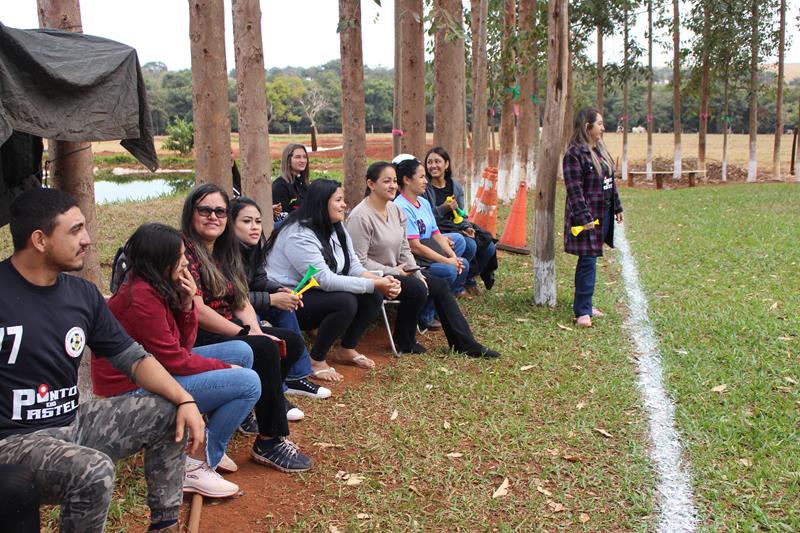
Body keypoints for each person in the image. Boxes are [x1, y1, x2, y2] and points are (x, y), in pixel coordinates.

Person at [0, 188, 205, 533]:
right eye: (75, 230)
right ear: (39, 240)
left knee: (169, 412)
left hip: (73, 421)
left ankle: (165, 524)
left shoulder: (82, 294)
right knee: (93, 470)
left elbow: (133, 358)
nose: (88, 240)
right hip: (13, 441)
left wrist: (184, 398)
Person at [92, 223, 261, 498]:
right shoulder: (141, 299)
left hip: (156, 369)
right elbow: (176, 361)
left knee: (242, 352)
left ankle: (205, 450)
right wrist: (224, 368)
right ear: (161, 260)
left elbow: (184, 346)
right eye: (180, 255)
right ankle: (193, 466)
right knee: (249, 382)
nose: (186, 262)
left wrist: (186, 305)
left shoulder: (156, 284)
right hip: (128, 389)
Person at [181, 183, 312, 472]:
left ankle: (247, 408)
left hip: (226, 328)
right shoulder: (185, 251)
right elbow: (197, 310)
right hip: (194, 336)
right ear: (191, 213)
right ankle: (270, 440)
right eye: (205, 210)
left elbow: (241, 300)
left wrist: (255, 329)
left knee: (285, 342)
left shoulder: (224, 251)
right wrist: (243, 333)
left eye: (220, 211)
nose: (213, 216)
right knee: (264, 349)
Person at [347, 162, 501, 358]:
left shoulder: (394, 210)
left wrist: (417, 272)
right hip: (376, 276)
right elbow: (358, 262)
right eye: (386, 181)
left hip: (400, 270)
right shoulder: (360, 217)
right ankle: (405, 340)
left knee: (438, 285)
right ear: (371, 184)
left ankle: (466, 343)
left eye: (394, 181)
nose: (393, 186)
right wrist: (395, 272)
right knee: (418, 288)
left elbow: (404, 248)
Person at [265, 179, 401, 382]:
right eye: (338, 200)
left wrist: (381, 280)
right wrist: (374, 283)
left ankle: (346, 349)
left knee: (372, 295)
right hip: (286, 300)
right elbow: (324, 280)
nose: (344, 205)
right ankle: (316, 360)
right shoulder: (298, 234)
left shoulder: (335, 226)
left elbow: (354, 266)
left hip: (311, 293)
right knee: (345, 301)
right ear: (321, 203)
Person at [230, 196, 331, 400]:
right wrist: (271, 300)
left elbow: (259, 279)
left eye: (258, 221)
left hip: (249, 302)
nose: (255, 227)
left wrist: (279, 290)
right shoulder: (225, 254)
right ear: (230, 224)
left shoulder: (253, 246)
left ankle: (295, 376)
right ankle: (272, 389)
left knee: (285, 307)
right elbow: (232, 297)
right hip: (232, 311)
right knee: (256, 320)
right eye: (246, 221)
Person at [563, 107, 624, 328]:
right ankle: (582, 312)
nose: (603, 127)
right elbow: (574, 190)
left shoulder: (599, 151)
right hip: (587, 218)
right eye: (599, 123)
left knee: (592, 259)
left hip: (603, 213)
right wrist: (584, 216)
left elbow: (610, 182)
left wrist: (617, 206)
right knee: (587, 259)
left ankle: (586, 305)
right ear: (587, 127)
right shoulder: (574, 154)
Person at [392, 155, 469, 329]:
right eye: (421, 177)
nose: (426, 181)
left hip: (428, 253)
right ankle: (425, 315)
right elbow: (415, 247)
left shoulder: (424, 202)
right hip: (415, 260)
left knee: (461, 263)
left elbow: (436, 233)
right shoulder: (401, 207)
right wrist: (448, 261)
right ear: (406, 180)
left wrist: (452, 256)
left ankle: (436, 308)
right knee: (449, 270)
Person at [423, 146, 498, 293]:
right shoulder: (425, 188)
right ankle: (457, 286)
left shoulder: (455, 186)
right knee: (470, 245)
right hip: (437, 229)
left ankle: (468, 278)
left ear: (446, 164)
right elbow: (425, 217)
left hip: (455, 227)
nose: (433, 166)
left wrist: (466, 227)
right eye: (429, 162)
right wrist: (443, 208)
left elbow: (461, 213)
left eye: (437, 161)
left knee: (488, 245)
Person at [272, 143, 310, 218]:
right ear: (288, 161)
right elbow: (280, 216)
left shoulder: (305, 184)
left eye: (304, 157)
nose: (303, 161)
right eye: (298, 157)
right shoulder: (280, 186)